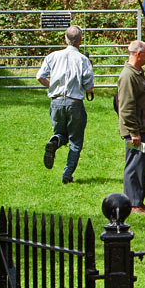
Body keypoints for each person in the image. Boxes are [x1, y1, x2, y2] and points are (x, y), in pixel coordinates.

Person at [37, 25, 95, 184]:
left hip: (56, 101)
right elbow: (89, 87)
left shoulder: (52, 56)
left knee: (61, 134)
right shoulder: (83, 59)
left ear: (66, 39)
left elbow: (39, 77)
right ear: (80, 41)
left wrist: (52, 86)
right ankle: (67, 175)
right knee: (75, 141)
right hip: (74, 102)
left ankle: (54, 142)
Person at [116, 40, 145, 212]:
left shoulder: (137, 73)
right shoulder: (128, 76)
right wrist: (134, 133)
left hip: (144, 130)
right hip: (136, 132)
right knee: (135, 164)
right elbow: (126, 107)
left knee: (144, 165)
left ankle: (138, 200)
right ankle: (133, 203)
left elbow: (137, 97)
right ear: (138, 54)